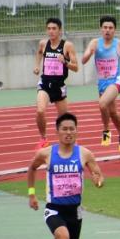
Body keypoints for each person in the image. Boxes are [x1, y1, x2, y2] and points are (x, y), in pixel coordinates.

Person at [27, 112, 104, 239]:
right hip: (54, 208)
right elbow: (31, 168)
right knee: (62, 238)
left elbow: (97, 173)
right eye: (64, 129)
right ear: (57, 132)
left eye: (72, 129)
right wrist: (32, 194)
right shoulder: (46, 154)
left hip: (75, 210)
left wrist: (98, 180)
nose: (68, 132)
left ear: (76, 131)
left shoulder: (84, 153)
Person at [80, 15, 120, 152]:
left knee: (102, 104)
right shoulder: (95, 43)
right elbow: (83, 60)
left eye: (110, 28)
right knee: (112, 112)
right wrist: (89, 54)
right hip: (102, 82)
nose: (107, 30)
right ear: (101, 29)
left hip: (115, 81)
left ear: (115, 30)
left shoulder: (119, 44)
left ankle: (106, 131)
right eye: (105, 27)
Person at [33, 17, 78, 150]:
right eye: (49, 29)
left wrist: (65, 61)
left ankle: (69, 142)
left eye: (54, 29)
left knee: (64, 119)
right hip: (45, 83)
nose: (51, 31)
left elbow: (76, 67)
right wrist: (36, 65)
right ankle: (43, 138)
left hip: (59, 86)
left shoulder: (67, 46)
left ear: (60, 30)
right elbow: (39, 53)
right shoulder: (43, 43)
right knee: (40, 110)